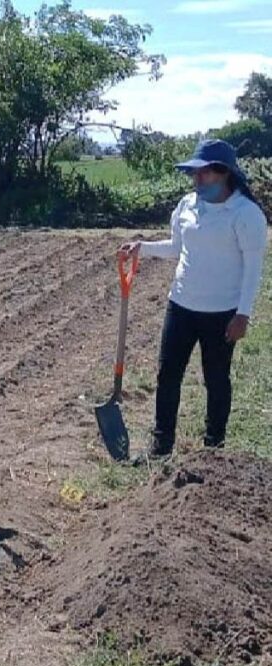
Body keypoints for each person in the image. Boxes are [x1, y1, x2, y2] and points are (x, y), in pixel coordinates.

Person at [119, 139, 267, 457]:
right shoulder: (188, 205)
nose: (196, 180)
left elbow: (254, 268)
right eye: (193, 174)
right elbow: (176, 247)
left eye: (202, 173)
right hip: (182, 304)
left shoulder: (245, 214)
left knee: (215, 378)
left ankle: (214, 449)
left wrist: (243, 314)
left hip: (222, 311)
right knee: (168, 373)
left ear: (223, 173)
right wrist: (142, 247)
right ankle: (161, 446)